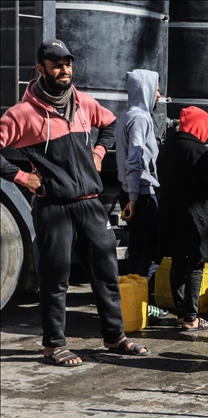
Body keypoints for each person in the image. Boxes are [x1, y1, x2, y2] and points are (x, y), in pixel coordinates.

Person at [0, 38, 150, 365]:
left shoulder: (83, 103)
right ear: (41, 69)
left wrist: (98, 153)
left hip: (90, 203)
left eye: (68, 63)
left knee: (107, 273)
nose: (64, 69)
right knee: (56, 278)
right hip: (54, 207)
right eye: (56, 64)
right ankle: (54, 345)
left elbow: (110, 124)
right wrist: (22, 178)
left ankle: (115, 337)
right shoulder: (22, 114)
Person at [155, 106, 208, 331]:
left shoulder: (166, 147)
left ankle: (181, 313)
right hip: (196, 217)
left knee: (177, 261)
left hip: (169, 213)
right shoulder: (199, 151)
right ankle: (192, 318)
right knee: (195, 265)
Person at [116, 69, 162, 288]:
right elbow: (135, 158)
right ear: (146, 90)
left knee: (136, 247)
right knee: (153, 249)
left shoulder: (126, 115)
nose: (159, 96)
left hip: (129, 190)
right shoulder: (140, 119)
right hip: (141, 193)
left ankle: (131, 299)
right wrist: (134, 197)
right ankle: (144, 299)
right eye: (156, 90)